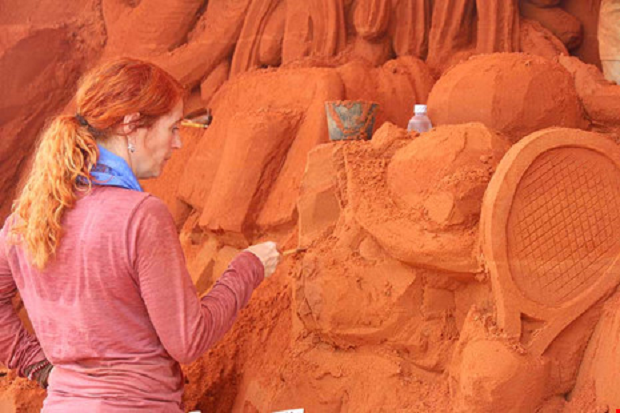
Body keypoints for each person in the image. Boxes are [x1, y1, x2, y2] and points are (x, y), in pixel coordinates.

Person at [0, 58, 281, 412]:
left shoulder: (28, 217)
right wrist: (248, 268)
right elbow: (188, 340)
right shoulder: (140, 216)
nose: (178, 143)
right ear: (132, 125)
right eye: (172, 128)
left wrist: (40, 366)